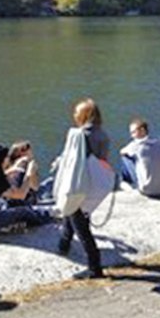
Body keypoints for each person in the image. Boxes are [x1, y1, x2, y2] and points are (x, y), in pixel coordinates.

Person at [58, 98, 110, 279]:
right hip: (94, 184)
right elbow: (103, 161)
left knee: (81, 226)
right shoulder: (103, 135)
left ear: (85, 115)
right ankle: (63, 244)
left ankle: (95, 268)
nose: (74, 115)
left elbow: (70, 159)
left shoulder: (78, 134)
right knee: (72, 213)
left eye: (76, 112)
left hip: (78, 183)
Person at [119, 118, 160, 197]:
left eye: (134, 132)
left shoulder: (136, 145)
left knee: (125, 157)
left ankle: (126, 182)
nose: (132, 136)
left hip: (148, 190)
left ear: (142, 130)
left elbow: (121, 151)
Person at [3, 140, 41, 206]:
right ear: (22, 153)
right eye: (30, 152)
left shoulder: (8, 165)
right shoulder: (25, 166)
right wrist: (32, 172)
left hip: (8, 199)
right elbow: (35, 187)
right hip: (24, 202)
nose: (32, 154)